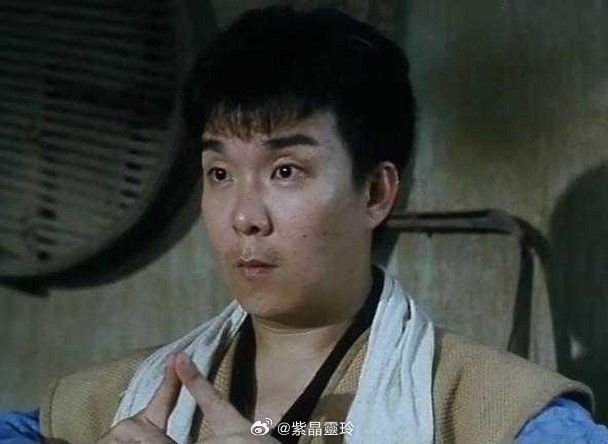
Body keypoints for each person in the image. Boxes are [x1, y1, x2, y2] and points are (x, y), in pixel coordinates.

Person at [2, 6, 607, 444]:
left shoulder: (496, 410)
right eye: (219, 173)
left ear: (375, 192)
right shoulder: (101, 407)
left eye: (286, 171)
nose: (245, 216)